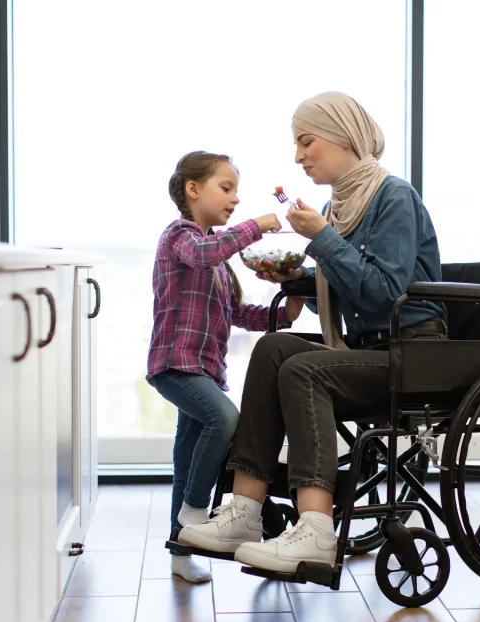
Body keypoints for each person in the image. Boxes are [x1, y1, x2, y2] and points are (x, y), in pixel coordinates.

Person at [177, 92, 447, 573]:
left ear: (344, 138)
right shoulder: (339, 205)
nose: (298, 157)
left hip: (413, 352)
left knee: (304, 369)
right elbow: (348, 280)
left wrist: (321, 238)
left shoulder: (394, 196)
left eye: (306, 143)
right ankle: (245, 511)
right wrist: (293, 277)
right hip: (365, 349)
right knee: (275, 347)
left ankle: (317, 530)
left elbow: (386, 292)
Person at [147, 151, 305, 582]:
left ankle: (182, 550)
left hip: (203, 371)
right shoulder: (180, 237)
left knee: (187, 458)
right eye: (226, 187)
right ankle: (197, 513)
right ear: (192, 189)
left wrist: (289, 308)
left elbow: (240, 314)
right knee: (225, 417)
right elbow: (204, 252)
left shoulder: (216, 263)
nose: (235, 198)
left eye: (237, 190)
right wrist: (258, 225)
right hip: (175, 364)